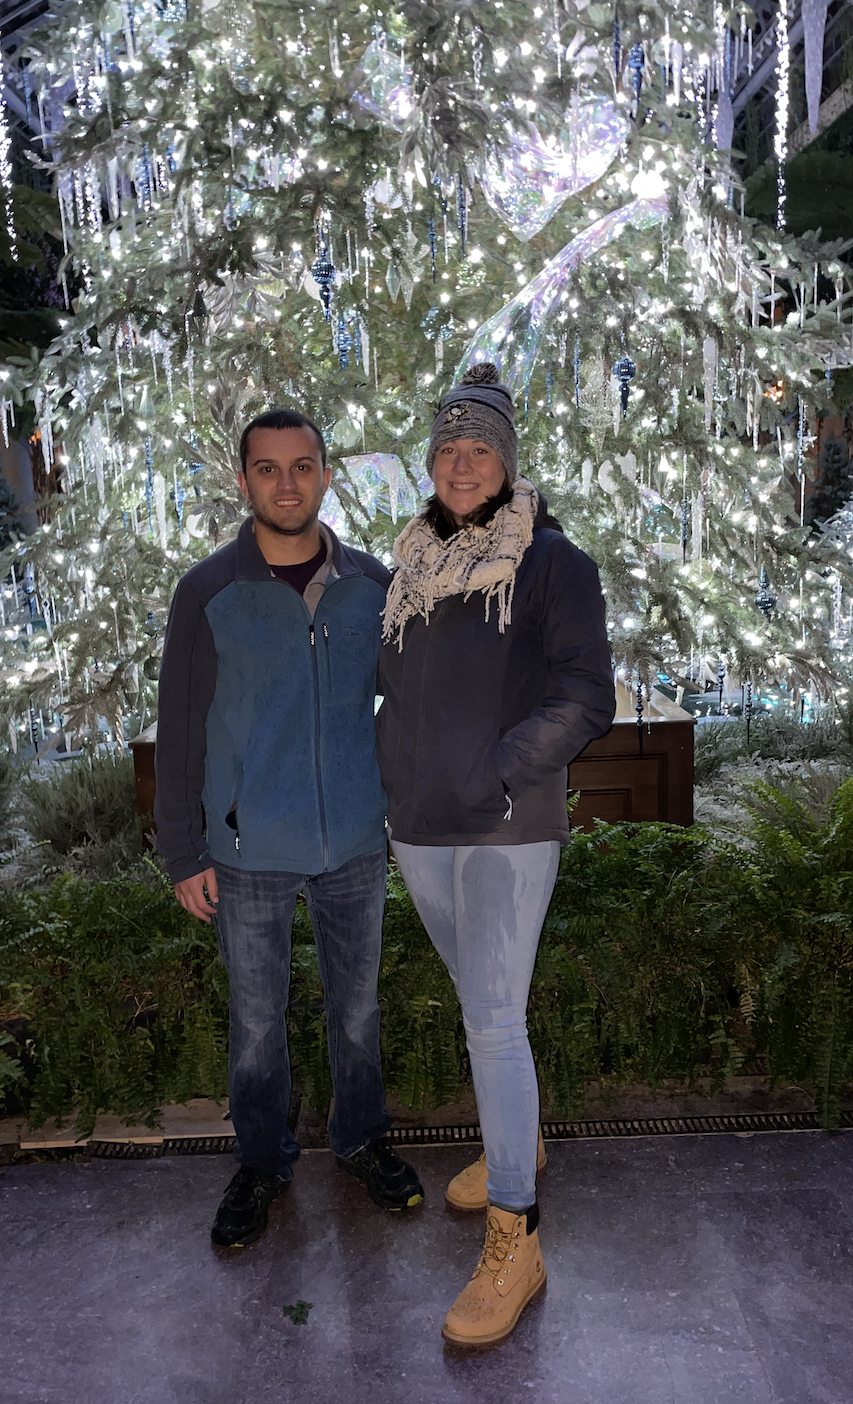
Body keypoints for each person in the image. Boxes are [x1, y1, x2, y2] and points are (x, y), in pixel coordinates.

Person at [377, 363, 615, 1346]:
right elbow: (386, 685)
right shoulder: (413, 563)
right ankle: (520, 1137)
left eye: (481, 447)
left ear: (507, 461)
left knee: (487, 1018)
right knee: (488, 1010)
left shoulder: (552, 562)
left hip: (506, 824)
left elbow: (583, 696)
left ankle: (517, 1239)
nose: (462, 462)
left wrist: (498, 769)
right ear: (430, 463)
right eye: (447, 447)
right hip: (417, 825)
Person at [155, 407, 424, 1250]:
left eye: (301, 467)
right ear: (244, 481)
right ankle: (262, 1161)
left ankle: (362, 1140)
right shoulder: (208, 595)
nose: (285, 483)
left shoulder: (372, 587)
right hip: (245, 849)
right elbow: (181, 725)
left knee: (356, 1010)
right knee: (257, 1019)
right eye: (267, 469)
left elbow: (418, 700)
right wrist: (183, 848)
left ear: (325, 476)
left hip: (349, 839)